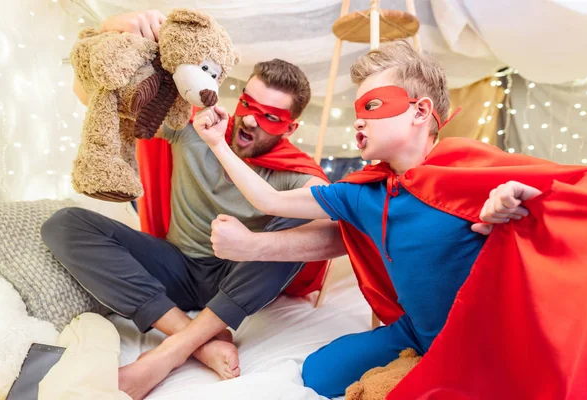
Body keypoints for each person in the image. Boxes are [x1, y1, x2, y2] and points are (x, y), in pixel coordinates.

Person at [194, 40, 546, 397]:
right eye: (357, 110)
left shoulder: (469, 171)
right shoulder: (361, 193)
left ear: (421, 111)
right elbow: (268, 199)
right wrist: (216, 143)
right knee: (318, 373)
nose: (359, 119)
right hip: (419, 334)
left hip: (486, 340)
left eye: (373, 105)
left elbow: (557, 201)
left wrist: (515, 208)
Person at [41, 10, 346, 400]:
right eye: (249, 104)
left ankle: (166, 355)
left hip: (235, 282)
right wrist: (111, 30)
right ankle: (195, 339)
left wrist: (255, 246)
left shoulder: (294, 172)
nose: (250, 121)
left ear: (290, 128)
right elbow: (95, 95)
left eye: (270, 117)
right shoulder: (197, 126)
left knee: (299, 227)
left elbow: (334, 228)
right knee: (64, 223)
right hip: (178, 267)